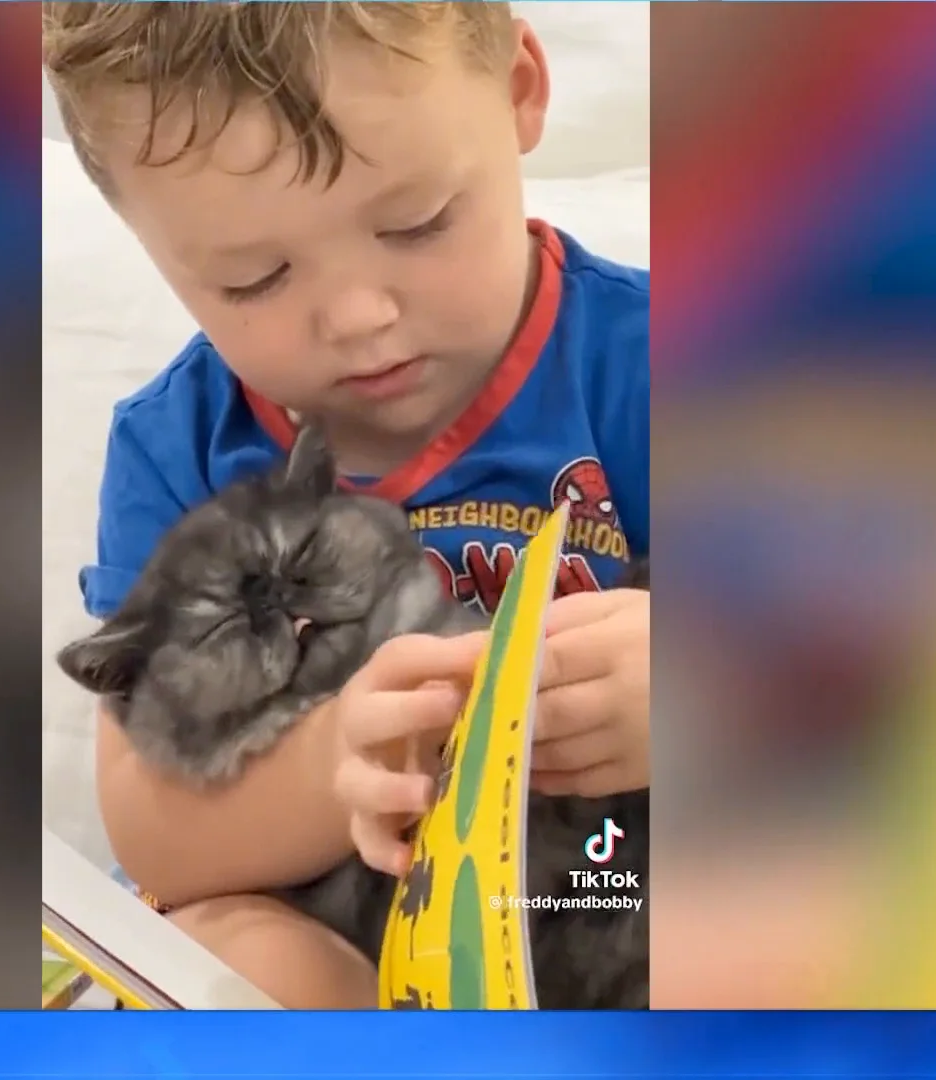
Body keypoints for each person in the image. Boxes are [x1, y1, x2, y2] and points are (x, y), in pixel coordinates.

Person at [43, 1, 651, 1007]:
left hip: (611, 904)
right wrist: (332, 766)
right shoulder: (183, 448)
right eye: (256, 277)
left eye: (416, 224)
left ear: (520, 92)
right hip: (336, 960)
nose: (361, 317)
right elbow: (150, 823)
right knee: (232, 961)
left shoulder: (650, 357)